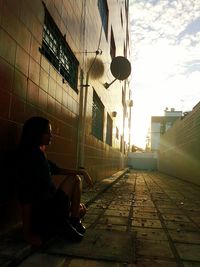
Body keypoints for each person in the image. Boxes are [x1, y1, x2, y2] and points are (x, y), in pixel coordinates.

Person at [16, 116, 93, 246]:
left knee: (80, 203)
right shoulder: (30, 158)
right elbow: (26, 195)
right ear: (37, 133)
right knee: (75, 179)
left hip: (51, 206)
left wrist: (83, 171)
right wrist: (27, 234)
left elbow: (58, 169)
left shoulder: (38, 154)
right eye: (48, 132)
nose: (51, 135)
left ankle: (72, 219)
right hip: (45, 212)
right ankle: (71, 220)